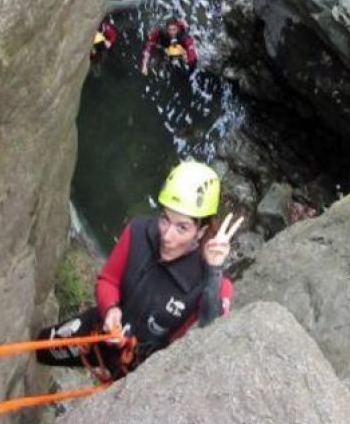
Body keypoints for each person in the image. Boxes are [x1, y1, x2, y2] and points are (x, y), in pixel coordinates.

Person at [36, 161, 243, 381]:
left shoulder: (212, 281)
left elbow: (212, 329)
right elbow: (108, 280)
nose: (167, 235)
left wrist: (214, 270)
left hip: (138, 367)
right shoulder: (139, 232)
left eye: (182, 227)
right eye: (165, 219)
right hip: (101, 329)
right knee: (42, 347)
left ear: (201, 232)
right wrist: (111, 310)